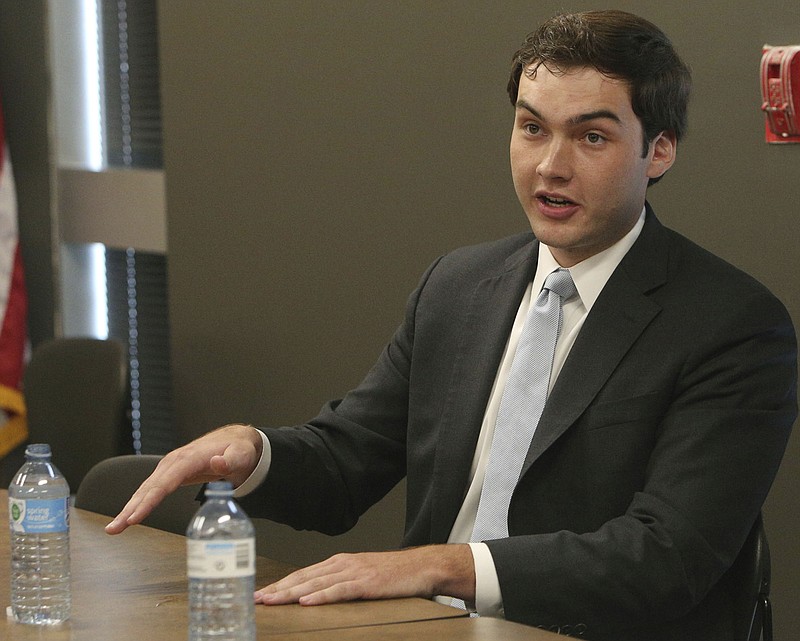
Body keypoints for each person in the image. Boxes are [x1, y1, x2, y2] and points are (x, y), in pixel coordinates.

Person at [106, 10, 797, 640]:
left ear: (661, 151)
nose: (550, 166)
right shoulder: (461, 286)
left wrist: (445, 566)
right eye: (532, 128)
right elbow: (349, 458)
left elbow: (665, 556)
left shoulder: (731, 325)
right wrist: (255, 453)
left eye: (591, 136)